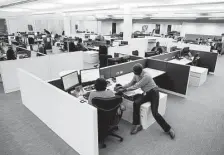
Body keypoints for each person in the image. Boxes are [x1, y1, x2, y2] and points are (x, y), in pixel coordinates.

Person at [121, 63, 175, 139]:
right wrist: (122, 87)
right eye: (134, 72)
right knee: (136, 103)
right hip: (146, 93)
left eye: (135, 72)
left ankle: (168, 129)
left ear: (140, 71)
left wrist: (125, 90)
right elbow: (131, 83)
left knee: (155, 113)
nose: (134, 73)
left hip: (154, 93)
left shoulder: (146, 76)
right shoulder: (136, 75)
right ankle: (137, 124)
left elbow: (137, 86)